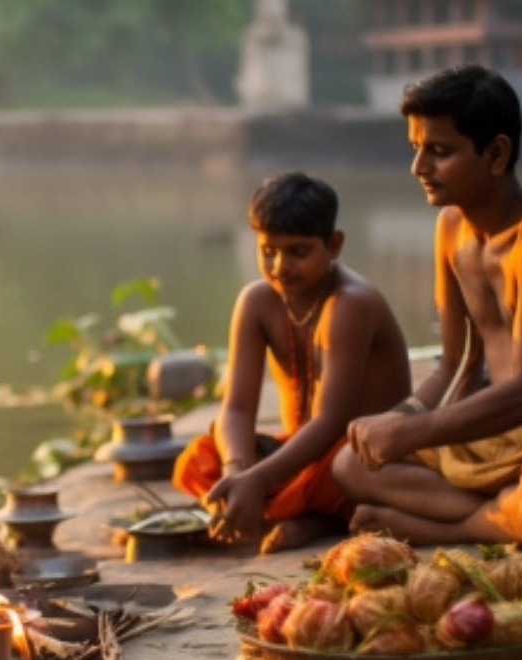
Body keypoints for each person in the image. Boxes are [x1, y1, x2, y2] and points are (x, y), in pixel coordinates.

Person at [334, 64, 522, 548]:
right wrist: (400, 418)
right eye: (416, 149)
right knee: (349, 463)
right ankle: (498, 516)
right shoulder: (450, 228)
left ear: (496, 154)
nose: (418, 167)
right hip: (486, 431)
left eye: (439, 152)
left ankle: (445, 528)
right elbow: (456, 362)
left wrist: (416, 432)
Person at [172, 171, 412, 554]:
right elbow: (235, 407)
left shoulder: (351, 303)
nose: (280, 265)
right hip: (297, 456)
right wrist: (240, 473)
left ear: (333, 245)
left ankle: (316, 518)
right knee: (199, 458)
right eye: (268, 250)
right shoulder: (256, 302)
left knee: (344, 467)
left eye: (297, 252)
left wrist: (259, 480)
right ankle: (263, 504)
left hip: (355, 454)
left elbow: (330, 421)